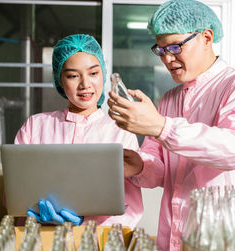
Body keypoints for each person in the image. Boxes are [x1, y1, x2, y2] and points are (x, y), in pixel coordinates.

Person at [107, 0, 235, 250]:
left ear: (206, 38)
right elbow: (161, 170)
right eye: (160, 50)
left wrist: (160, 127)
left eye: (175, 47)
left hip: (226, 239)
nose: (166, 59)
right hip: (175, 236)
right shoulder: (170, 99)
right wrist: (138, 165)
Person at [14, 34, 143, 227]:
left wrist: (85, 224)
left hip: (97, 242)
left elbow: (130, 208)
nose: (85, 84)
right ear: (60, 79)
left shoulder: (120, 131)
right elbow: (14, 192)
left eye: (93, 73)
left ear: (103, 73)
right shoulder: (35, 126)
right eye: (73, 75)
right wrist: (35, 213)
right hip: (41, 238)